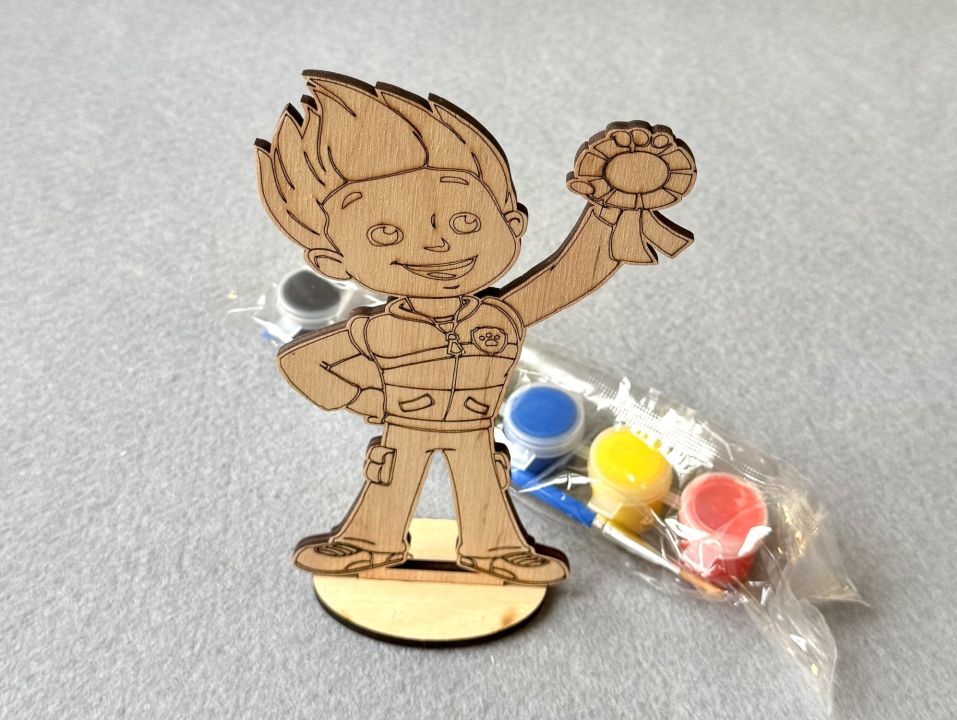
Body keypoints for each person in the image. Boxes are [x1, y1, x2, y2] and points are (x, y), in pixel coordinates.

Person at [255, 71, 687, 585]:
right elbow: (301, 361)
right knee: (390, 484)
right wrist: (369, 399)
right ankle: (368, 542)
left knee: (484, 487)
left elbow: (571, 273)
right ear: (332, 261)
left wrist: (613, 207)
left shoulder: (499, 315)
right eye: (385, 233)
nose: (436, 245)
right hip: (405, 426)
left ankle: (496, 549)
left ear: (512, 223)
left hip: (476, 429)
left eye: (465, 222)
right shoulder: (380, 330)